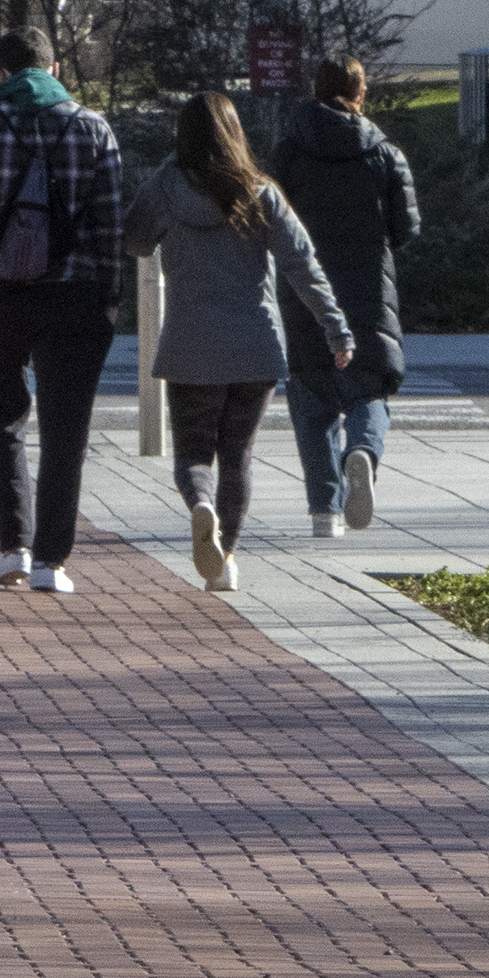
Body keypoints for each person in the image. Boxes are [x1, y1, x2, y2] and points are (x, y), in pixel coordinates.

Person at [125, 90, 350, 597]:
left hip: (189, 347)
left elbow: (134, 241)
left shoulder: (167, 188)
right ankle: (224, 559)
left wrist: (168, 172)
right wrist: (336, 329)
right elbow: (304, 267)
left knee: (192, 456)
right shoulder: (261, 193)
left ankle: (200, 506)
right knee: (239, 455)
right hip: (256, 348)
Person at [0, 29, 124, 596]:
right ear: (56, 66)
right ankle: (52, 561)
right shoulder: (92, 128)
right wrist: (111, 295)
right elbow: (110, 223)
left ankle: (11, 547)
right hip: (76, 295)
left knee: (1, 421)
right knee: (67, 430)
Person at [272, 55, 421, 536]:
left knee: (311, 395)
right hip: (368, 290)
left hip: (304, 289)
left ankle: (323, 513)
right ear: (361, 93)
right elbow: (406, 227)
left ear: (316, 91)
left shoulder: (290, 151)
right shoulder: (383, 153)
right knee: (370, 387)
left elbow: (269, 217)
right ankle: (362, 452)